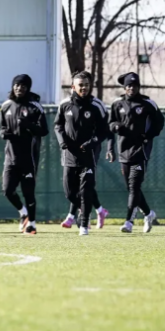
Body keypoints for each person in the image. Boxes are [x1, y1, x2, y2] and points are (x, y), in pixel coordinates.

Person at [106, 72, 164, 234]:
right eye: (129, 85)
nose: (132, 88)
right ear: (125, 87)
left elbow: (160, 122)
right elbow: (110, 125)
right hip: (124, 150)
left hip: (141, 150)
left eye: (135, 85)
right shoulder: (117, 103)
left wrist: (148, 136)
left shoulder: (147, 104)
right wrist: (111, 144)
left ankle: (129, 222)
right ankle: (149, 214)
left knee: (134, 186)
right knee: (131, 188)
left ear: (139, 87)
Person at [55, 71, 110, 236]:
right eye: (81, 85)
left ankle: (84, 224)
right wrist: (63, 142)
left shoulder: (97, 105)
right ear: (73, 86)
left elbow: (104, 131)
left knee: (86, 190)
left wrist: (92, 143)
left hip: (88, 155)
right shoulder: (65, 105)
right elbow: (58, 126)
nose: (84, 88)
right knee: (70, 193)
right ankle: (90, 210)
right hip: (69, 155)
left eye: (86, 85)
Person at [0, 74, 48, 235]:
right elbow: (2, 127)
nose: (19, 88)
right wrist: (4, 133)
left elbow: (44, 130)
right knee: (7, 190)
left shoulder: (35, 107)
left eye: (23, 86)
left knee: (28, 192)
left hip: (29, 158)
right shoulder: (6, 105)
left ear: (28, 88)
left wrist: (28, 125)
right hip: (11, 157)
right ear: (13, 86)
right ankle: (23, 212)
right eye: (17, 85)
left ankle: (32, 224)